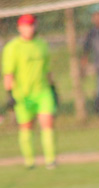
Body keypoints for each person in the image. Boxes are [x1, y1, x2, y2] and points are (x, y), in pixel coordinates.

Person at [2, 14, 57, 169]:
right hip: (23, 95)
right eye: (26, 25)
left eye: (32, 24)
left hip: (43, 91)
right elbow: (8, 74)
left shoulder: (42, 44)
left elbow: (47, 70)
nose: (29, 28)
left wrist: (53, 89)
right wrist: (10, 95)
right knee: (26, 127)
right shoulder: (12, 47)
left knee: (47, 124)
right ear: (19, 28)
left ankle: (50, 160)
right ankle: (29, 161)